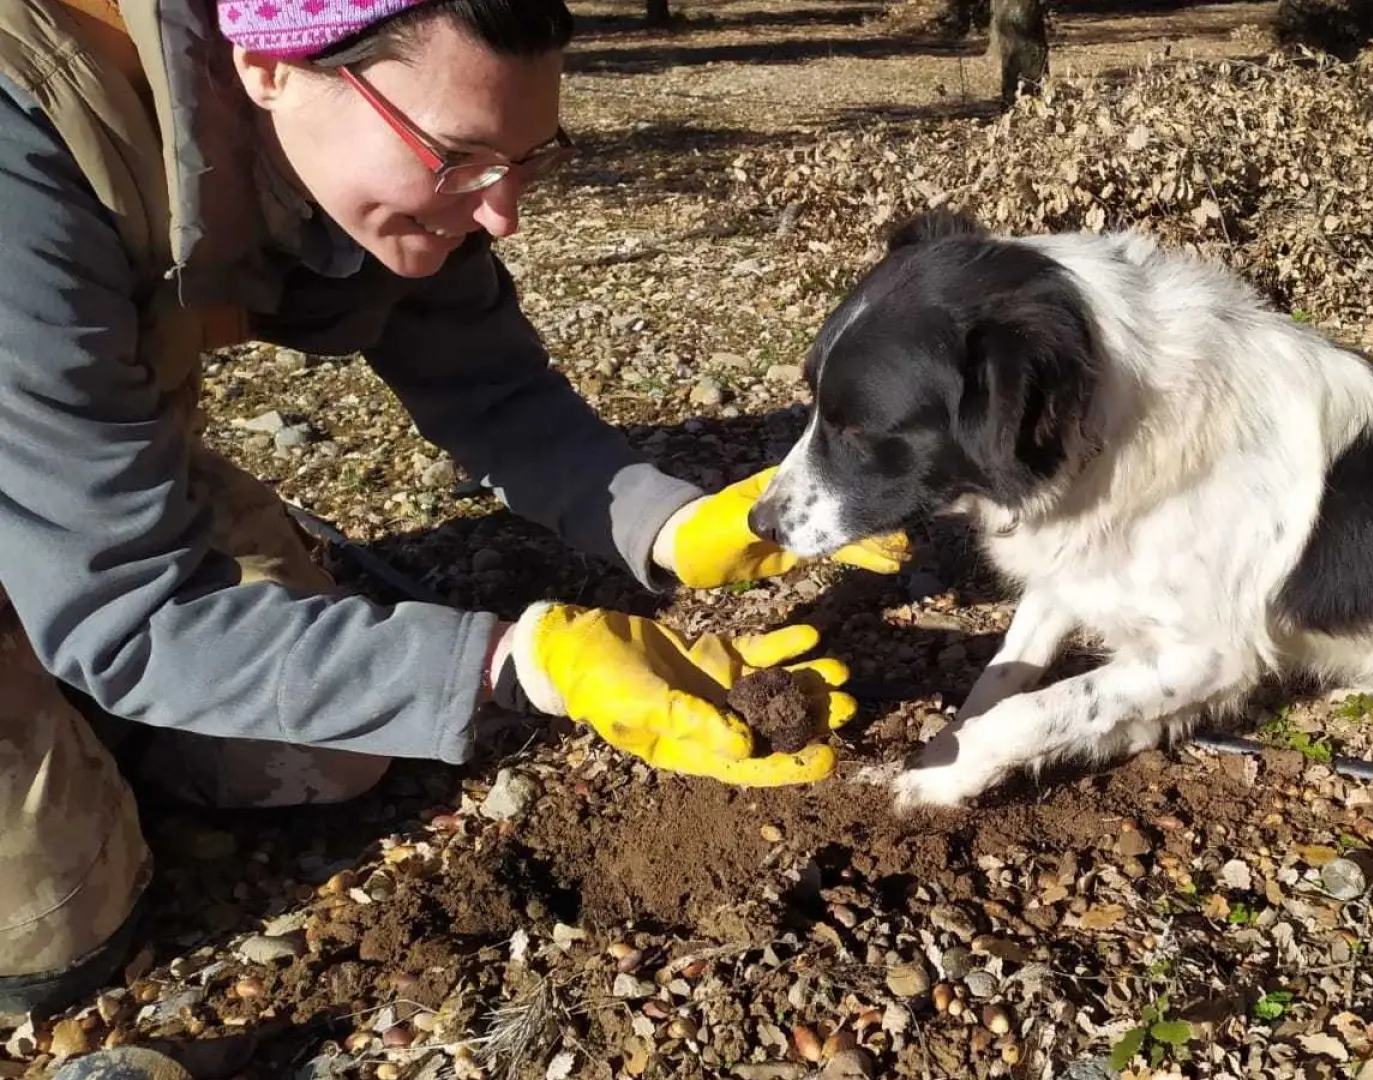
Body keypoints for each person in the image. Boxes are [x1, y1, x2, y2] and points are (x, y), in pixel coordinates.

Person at [0, 0, 909, 1026]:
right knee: (63, 928)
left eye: (527, 160)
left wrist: (666, 527)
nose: (501, 214)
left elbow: (491, 389)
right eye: (460, 158)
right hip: (49, 481)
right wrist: (512, 663)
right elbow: (135, 612)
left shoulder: (373, 150)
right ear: (264, 65)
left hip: (84, 457)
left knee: (328, 754)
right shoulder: (24, 156)